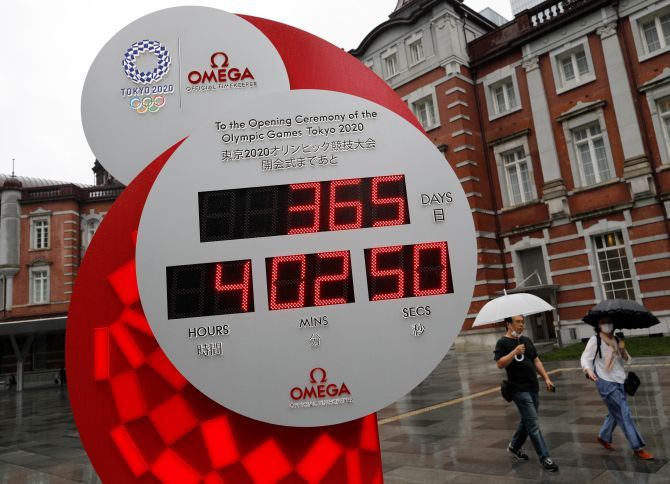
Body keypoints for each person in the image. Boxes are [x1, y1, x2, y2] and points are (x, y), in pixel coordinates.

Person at [580, 317, 654, 460]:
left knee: (614, 412)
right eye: (603, 322)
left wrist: (622, 350)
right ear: (598, 325)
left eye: (609, 322)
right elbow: (585, 358)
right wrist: (588, 371)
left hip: (620, 380)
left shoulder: (616, 339)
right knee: (623, 412)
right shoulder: (596, 340)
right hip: (605, 382)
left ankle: (603, 436)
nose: (606, 325)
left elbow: (626, 359)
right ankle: (637, 447)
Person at [494, 315, 559, 472]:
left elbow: (536, 360)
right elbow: (500, 363)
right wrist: (514, 352)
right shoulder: (502, 343)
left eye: (522, 322)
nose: (521, 325)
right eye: (518, 322)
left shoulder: (527, 341)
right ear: (509, 324)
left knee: (527, 421)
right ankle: (545, 458)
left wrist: (546, 378)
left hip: (533, 387)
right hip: (518, 390)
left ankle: (514, 446)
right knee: (533, 424)